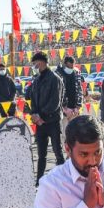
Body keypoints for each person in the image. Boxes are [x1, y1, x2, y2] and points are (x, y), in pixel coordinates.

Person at [29, 52, 65, 180]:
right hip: (40, 123)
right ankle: (39, 180)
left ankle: (64, 180)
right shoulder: (36, 80)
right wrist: (34, 114)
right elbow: (32, 100)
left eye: (35, 63)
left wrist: (41, 115)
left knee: (57, 152)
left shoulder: (55, 79)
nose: (34, 66)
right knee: (41, 154)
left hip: (53, 121)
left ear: (42, 62)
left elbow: (55, 102)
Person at [57, 54, 84, 138]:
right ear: (65, 64)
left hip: (74, 109)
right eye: (69, 66)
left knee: (76, 133)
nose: (71, 68)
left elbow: (79, 89)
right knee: (65, 133)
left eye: (72, 66)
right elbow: (57, 93)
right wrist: (64, 108)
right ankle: (65, 146)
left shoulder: (76, 73)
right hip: (64, 110)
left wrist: (78, 106)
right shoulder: (58, 74)